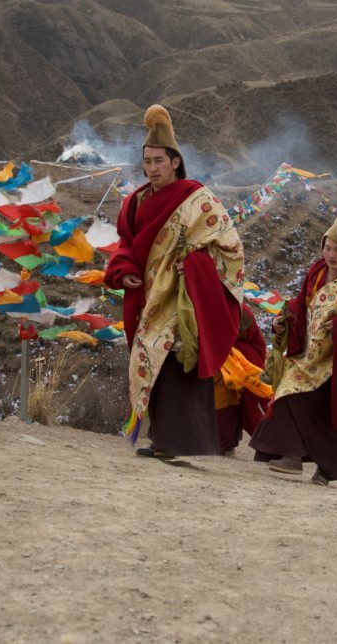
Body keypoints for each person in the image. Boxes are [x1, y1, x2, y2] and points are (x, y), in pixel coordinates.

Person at [104, 105, 244, 459]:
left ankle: (181, 443)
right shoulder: (135, 202)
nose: (152, 168)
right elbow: (126, 243)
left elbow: (230, 249)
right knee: (152, 361)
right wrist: (125, 269)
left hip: (183, 295)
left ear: (175, 162)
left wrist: (195, 267)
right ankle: (163, 439)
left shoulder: (198, 200)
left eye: (159, 161)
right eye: (147, 162)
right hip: (148, 295)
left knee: (178, 361)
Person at [250, 207, 337, 485]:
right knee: (288, 392)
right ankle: (291, 455)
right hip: (310, 352)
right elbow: (301, 303)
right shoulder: (317, 270)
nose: (331, 255)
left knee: (335, 411)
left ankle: (326, 471)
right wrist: (285, 320)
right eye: (327, 248)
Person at [214, 305, 270, 456]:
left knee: (234, 401)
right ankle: (224, 443)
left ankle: (225, 443)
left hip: (240, 358)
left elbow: (239, 333)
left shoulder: (240, 309)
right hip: (222, 358)